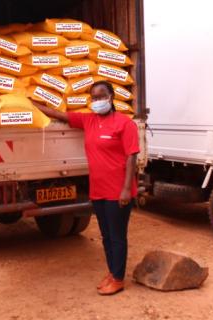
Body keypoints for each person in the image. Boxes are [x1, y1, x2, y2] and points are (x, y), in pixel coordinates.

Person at [34, 81, 139, 295]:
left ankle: (118, 278)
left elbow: (131, 157)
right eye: (94, 97)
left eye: (101, 96)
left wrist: (126, 189)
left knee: (117, 236)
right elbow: (59, 115)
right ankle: (112, 272)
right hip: (98, 190)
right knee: (106, 235)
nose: (97, 101)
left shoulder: (124, 123)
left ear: (111, 97)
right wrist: (30, 105)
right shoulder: (88, 120)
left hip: (118, 191)